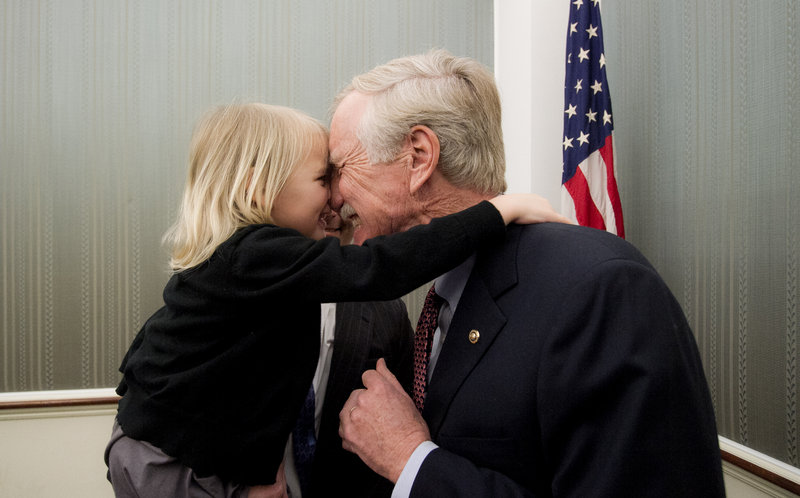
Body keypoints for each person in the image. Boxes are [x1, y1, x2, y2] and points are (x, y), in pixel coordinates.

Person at [103, 101, 568, 497]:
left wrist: (257, 475)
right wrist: (495, 212)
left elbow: (255, 391)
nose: (337, 195)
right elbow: (379, 268)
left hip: (196, 450)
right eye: (323, 178)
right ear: (257, 187)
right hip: (166, 455)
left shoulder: (262, 269)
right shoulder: (253, 254)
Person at [332, 49, 726, 497]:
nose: (333, 197)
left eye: (340, 168)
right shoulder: (438, 296)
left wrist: (411, 460)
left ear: (419, 156)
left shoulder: (601, 289)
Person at [283, 211, 415, 498]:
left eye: (339, 179)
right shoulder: (235, 293)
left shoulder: (387, 312)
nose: (332, 208)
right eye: (320, 180)